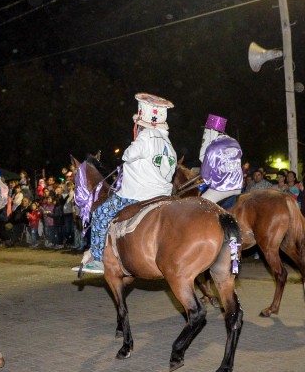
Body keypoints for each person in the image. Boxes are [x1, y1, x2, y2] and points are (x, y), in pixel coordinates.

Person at [76, 93, 177, 274]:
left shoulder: (146, 137)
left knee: (100, 214)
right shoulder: (169, 143)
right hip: (163, 194)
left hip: (137, 194)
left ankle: (98, 260)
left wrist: (136, 140)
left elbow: (127, 155)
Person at [197, 114, 243, 207]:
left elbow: (205, 174)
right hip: (238, 186)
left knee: (200, 204)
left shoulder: (212, 148)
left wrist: (209, 182)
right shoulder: (235, 142)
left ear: (211, 131)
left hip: (223, 188)